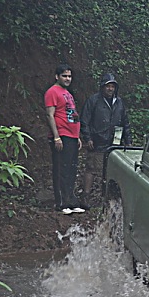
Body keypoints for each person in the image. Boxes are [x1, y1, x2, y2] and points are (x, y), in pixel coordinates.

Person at [80, 73, 131, 205]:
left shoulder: (119, 102)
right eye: (108, 86)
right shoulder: (93, 101)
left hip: (114, 142)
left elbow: (125, 122)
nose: (110, 89)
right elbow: (84, 120)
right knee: (91, 168)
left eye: (112, 86)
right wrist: (88, 138)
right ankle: (85, 196)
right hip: (97, 140)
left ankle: (107, 198)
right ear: (102, 87)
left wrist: (128, 141)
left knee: (110, 171)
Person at [44, 64, 83, 214]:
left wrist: (77, 136)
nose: (67, 79)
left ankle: (71, 200)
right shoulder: (52, 92)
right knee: (61, 168)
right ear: (57, 76)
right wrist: (56, 137)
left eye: (69, 76)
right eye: (64, 76)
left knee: (72, 168)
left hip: (72, 135)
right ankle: (61, 203)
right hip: (61, 135)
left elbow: (72, 113)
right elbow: (50, 115)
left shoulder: (67, 93)